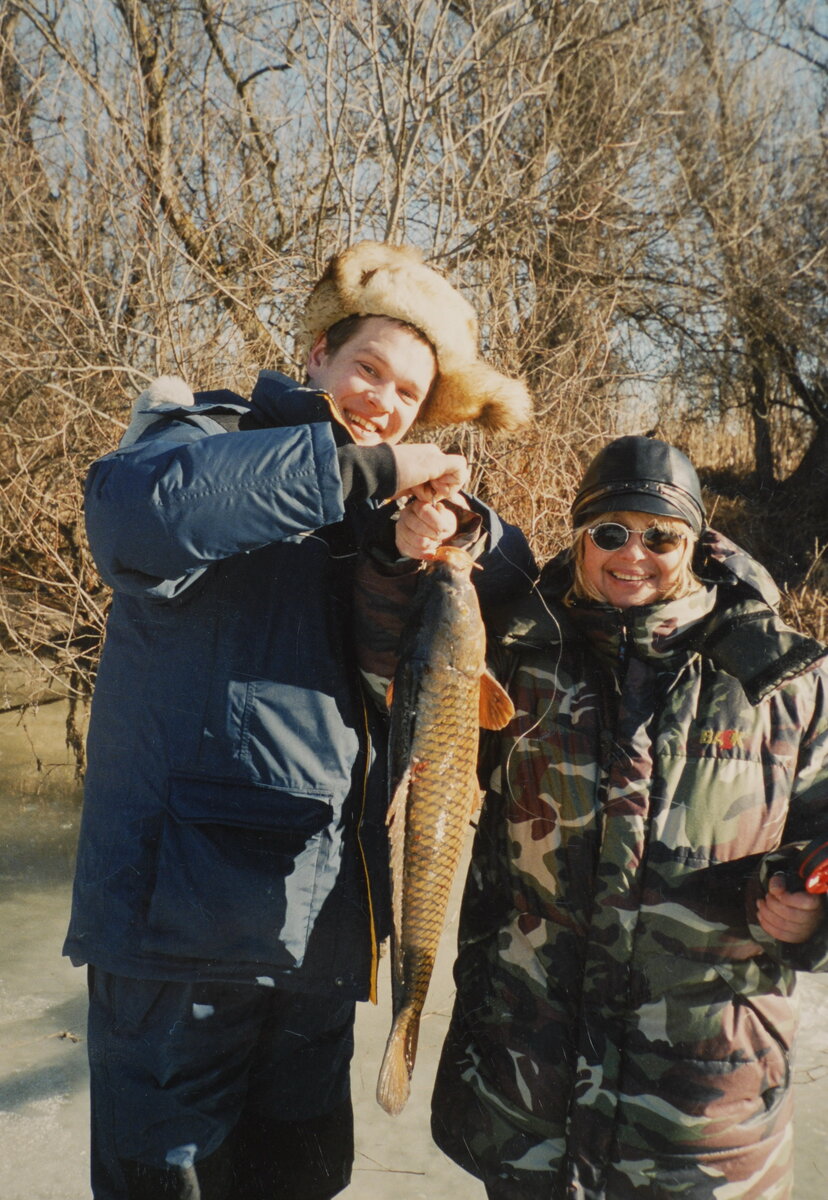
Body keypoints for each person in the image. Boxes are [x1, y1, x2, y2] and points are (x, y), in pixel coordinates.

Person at [62, 240, 535, 1200]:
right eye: (369, 369)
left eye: (408, 395)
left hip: (317, 940)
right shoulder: (202, 442)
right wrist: (365, 476)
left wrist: (454, 535)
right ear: (317, 353)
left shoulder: (385, 506)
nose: (383, 403)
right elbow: (134, 519)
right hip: (176, 943)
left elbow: (518, 590)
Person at [421, 435, 828, 1199]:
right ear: (579, 538)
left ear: (699, 545)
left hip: (700, 1116)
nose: (631, 554)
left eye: (660, 536)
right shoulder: (519, 658)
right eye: (610, 532)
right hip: (528, 1094)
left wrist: (814, 913)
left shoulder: (787, 680)